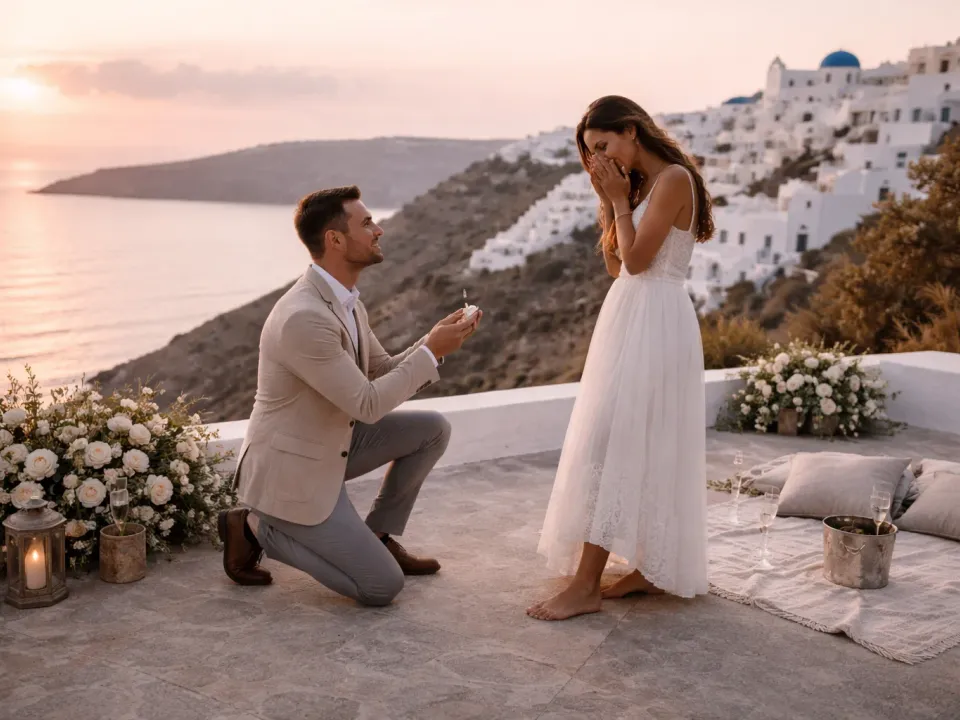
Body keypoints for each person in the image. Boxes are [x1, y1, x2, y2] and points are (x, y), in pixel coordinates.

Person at [219, 185, 481, 607]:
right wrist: (432, 350)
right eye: (367, 223)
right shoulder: (305, 316)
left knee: (432, 429)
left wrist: (436, 339)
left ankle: (380, 534)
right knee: (381, 587)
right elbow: (368, 403)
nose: (378, 230)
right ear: (334, 240)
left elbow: (378, 371)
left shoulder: (346, 301)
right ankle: (254, 527)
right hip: (293, 473)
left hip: (330, 445)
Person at [528, 96, 715, 621]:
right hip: (633, 313)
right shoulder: (636, 184)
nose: (599, 159)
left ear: (632, 131)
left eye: (603, 146)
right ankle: (650, 568)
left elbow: (636, 262)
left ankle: (587, 586)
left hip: (656, 317)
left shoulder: (674, 178)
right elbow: (616, 265)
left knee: (613, 440)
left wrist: (617, 201)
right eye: (590, 153)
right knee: (631, 438)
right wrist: (609, 198)